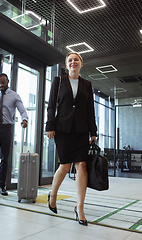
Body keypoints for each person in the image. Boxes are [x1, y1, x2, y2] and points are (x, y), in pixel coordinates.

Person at [46, 52, 97, 226]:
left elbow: (90, 110)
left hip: (81, 130)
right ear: (67, 65)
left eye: (76, 59)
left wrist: (93, 131)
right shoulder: (58, 81)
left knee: (82, 165)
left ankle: (80, 207)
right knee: (65, 166)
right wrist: (50, 126)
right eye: (70, 60)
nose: (73, 62)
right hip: (62, 129)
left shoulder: (87, 85)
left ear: (81, 64)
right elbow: (51, 104)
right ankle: (52, 195)